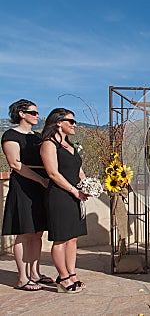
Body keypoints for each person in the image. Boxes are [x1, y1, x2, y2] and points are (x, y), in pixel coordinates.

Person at [1, 99, 52, 291]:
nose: (37, 116)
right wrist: (40, 180)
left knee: (38, 232)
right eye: (33, 112)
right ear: (21, 114)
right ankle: (22, 277)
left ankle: (35, 273)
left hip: (41, 186)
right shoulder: (10, 135)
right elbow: (15, 164)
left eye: (37, 113)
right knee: (24, 232)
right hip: (24, 186)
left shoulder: (37, 137)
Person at [40, 108, 89, 293]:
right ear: (58, 122)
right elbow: (53, 173)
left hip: (76, 195)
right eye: (71, 121)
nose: (74, 125)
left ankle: (71, 273)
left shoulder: (71, 145)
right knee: (61, 238)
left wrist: (87, 185)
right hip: (59, 196)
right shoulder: (49, 144)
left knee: (72, 237)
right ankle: (63, 277)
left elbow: (79, 170)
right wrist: (73, 190)